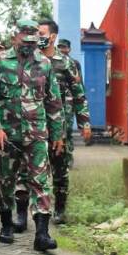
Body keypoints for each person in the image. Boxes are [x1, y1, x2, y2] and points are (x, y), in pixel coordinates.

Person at [0, 19, 64, 252]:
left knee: (40, 182)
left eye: (33, 39)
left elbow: (53, 100)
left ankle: (42, 234)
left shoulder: (45, 64)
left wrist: (58, 134)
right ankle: (6, 224)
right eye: (24, 39)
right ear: (14, 38)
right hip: (7, 135)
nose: (29, 44)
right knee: (6, 181)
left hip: (36, 134)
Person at [35, 19, 90, 225]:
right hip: (35, 126)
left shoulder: (66, 63)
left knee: (60, 169)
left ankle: (60, 208)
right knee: (32, 170)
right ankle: (35, 210)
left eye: (41, 33)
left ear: (53, 36)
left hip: (61, 126)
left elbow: (79, 95)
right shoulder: (32, 60)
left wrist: (85, 123)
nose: (38, 37)